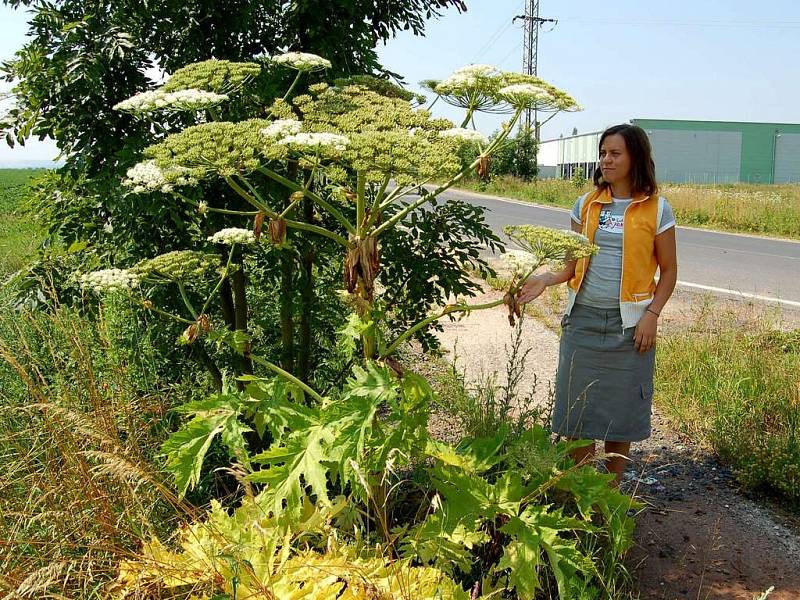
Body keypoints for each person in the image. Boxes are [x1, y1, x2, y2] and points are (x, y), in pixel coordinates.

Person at [518, 124, 678, 487]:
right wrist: (544, 279)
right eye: (603, 152)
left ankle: (610, 496)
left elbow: (668, 273)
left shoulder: (657, 209)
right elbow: (570, 267)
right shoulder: (585, 205)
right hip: (583, 323)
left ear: (635, 157)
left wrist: (651, 316)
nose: (606, 159)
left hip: (630, 329)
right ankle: (580, 491)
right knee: (578, 414)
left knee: (620, 416)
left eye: (615, 153)